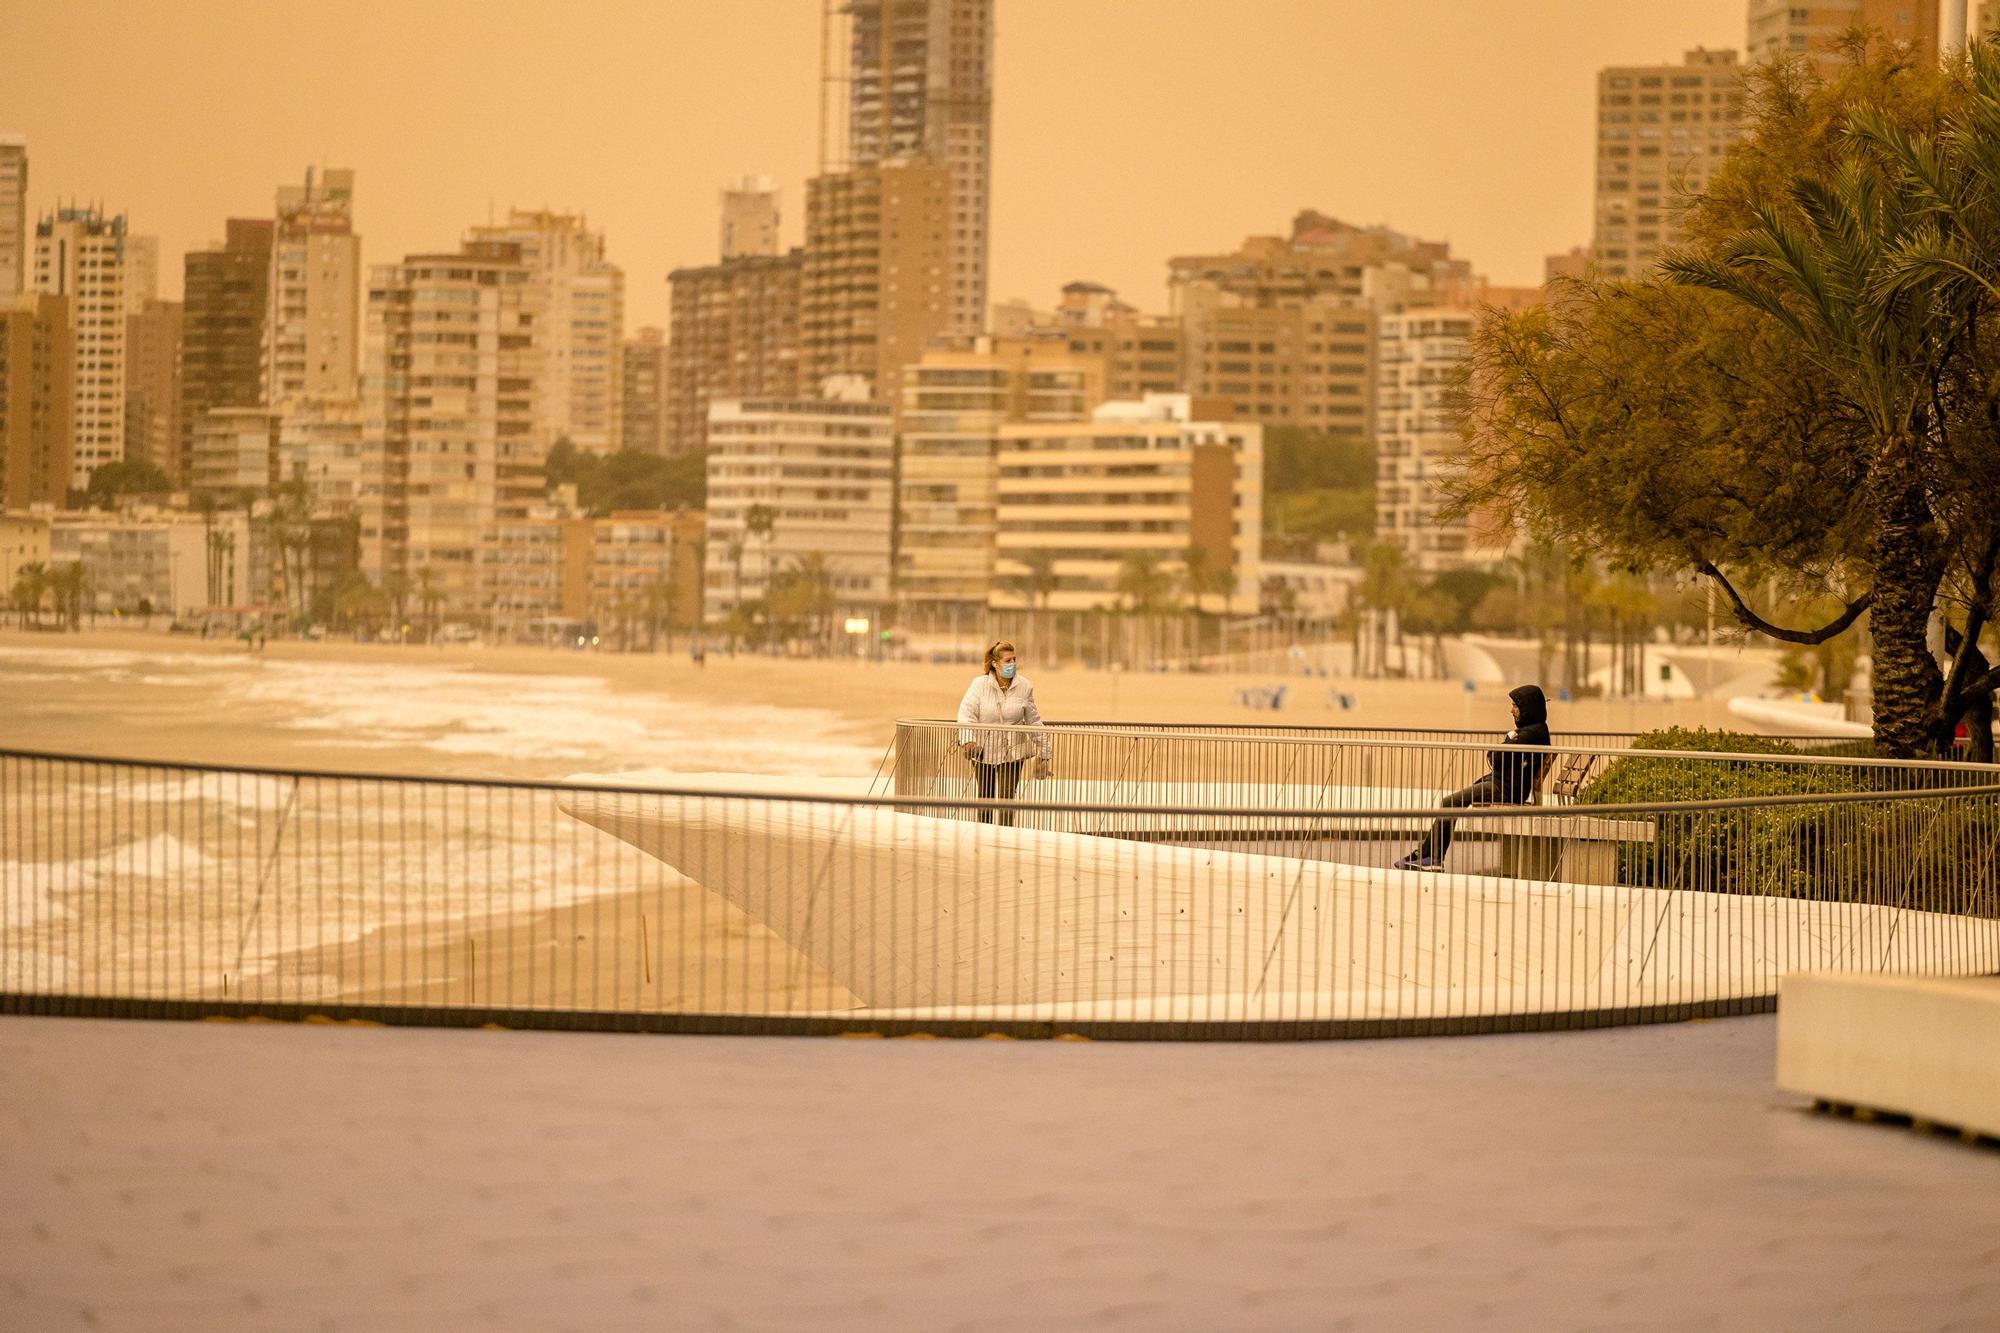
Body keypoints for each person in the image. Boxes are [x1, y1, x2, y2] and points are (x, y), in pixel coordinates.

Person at [1393, 684, 1552, 871]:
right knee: (1453, 802)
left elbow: (1498, 759)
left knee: (1450, 802)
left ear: (1528, 707)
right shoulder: (1534, 731)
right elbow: (1497, 757)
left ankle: (1431, 856)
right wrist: (1507, 743)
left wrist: (1508, 740)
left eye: (1515, 706)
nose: (1511, 710)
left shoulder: (1530, 734)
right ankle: (1427, 854)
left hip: (1506, 789)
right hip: (1505, 785)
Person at [956, 639, 1053, 826]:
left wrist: (1045, 750)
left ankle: (1005, 835)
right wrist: (968, 739)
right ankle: (984, 833)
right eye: (1008, 660)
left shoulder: (1024, 686)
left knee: (1007, 798)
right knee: (985, 797)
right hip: (982, 751)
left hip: (1013, 753)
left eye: (1014, 659)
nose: (1013, 664)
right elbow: (966, 713)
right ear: (995, 663)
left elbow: (1033, 720)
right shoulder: (979, 684)